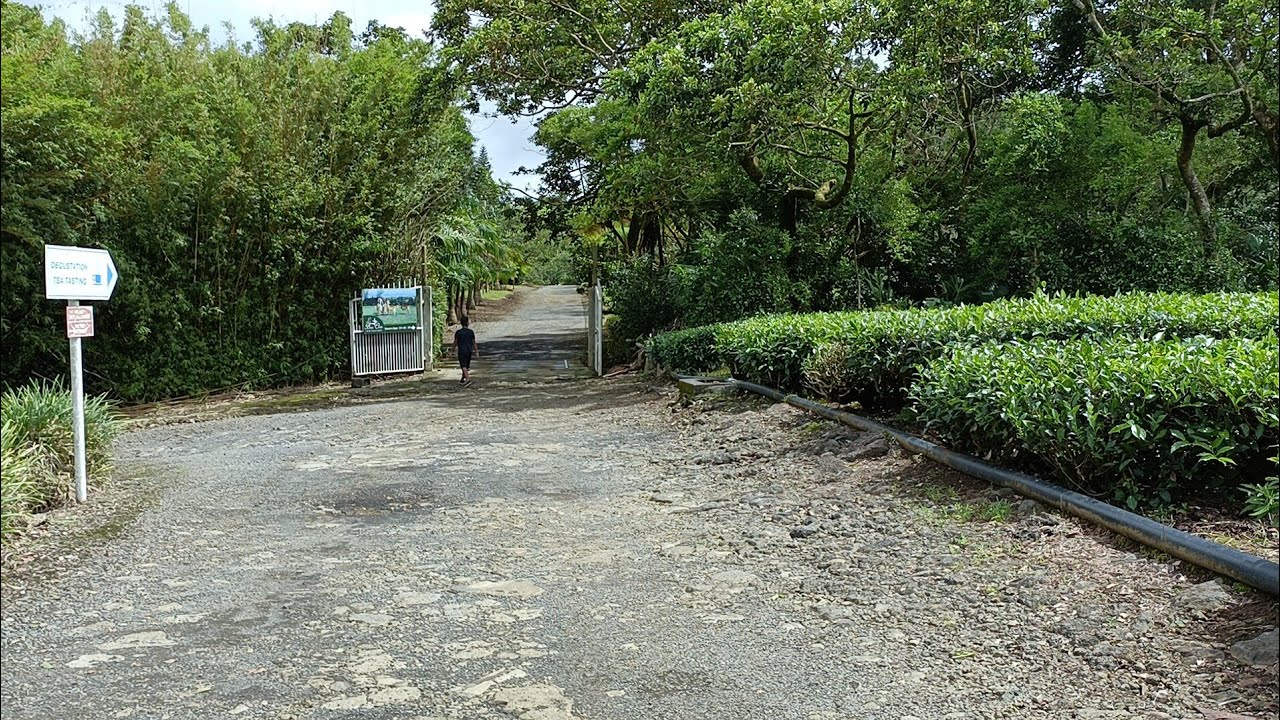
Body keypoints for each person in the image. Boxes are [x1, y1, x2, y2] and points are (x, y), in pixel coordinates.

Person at [454, 316, 478, 387]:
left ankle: (467, 380)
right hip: (469, 351)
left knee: (463, 366)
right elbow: (474, 342)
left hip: (462, 351)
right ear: (468, 323)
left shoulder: (458, 332)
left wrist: (452, 351)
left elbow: (455, 342)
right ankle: (462, 379)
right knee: (466, 366)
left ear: (461, 323)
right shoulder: (471, 332)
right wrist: (476, 351)